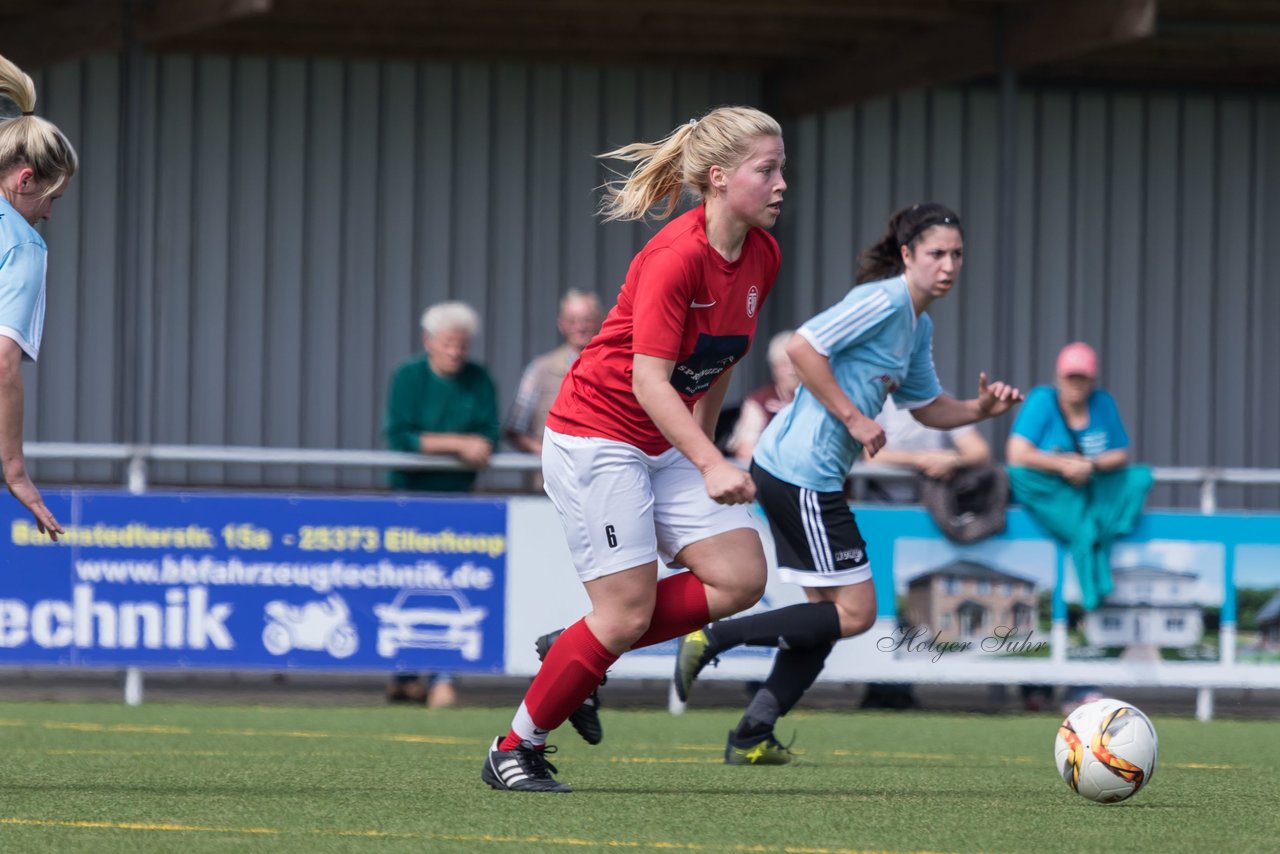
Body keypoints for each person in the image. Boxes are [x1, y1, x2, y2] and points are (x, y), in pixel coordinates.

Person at [481, 105, 786, 793]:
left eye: (780, 169)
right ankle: (512, 749)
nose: (781, 183)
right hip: (598, 436)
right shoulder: (675, 256)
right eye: (766, 170)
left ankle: (576, 647)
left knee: (741, 578)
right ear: (717, 177)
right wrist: (709, 462)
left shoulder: (762, 252)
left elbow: (719, 358)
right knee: (624, 613)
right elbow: (649, 379)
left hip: (662, 436)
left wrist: (700, 448)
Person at [674, 203, 1024, 765]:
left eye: (957, 254)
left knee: (826, 620)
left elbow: (928, 408)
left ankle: (752, 733)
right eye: (936, 253)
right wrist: (854, 417)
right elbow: (802, 348)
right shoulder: (881, 299)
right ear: (907, 256)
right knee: (858, 612)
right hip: (799, 471)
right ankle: (714, 638)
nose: (949, 265)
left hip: (805, 474)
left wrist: (980, 410)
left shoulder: (918, 323)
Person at [383, 300, 500, 708]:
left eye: (462, 345)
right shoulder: (408, 377)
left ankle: (441, 676)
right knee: (408, 581)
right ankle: (404, 673)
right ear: (429, 341)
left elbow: (489, 436)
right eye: (449, 343)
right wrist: (458, 444)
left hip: (458, 499)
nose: (456, 352)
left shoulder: (479, 379)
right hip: (410, 498)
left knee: (451, 582)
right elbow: (400, 438)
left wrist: (470, 446)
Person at [1006, 341, 1153, 611]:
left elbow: (1120, 454)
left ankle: (1096, 539)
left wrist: (1089, 465)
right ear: (1058, 377)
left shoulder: (1102, 402)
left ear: (1091, 380)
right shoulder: (1041, 400)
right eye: (1070, 376)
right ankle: (1092, 570)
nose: (1075, 383)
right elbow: (1017, 454)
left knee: (1139, 478)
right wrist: (1062, 465)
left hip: (1090, 483)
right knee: (1022, 478)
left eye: (1082, 378)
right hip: (1052, 488)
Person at [0, 55, 77, 543]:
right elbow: (3, 363)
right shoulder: (22, 245)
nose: (47, 214)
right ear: (25, 179)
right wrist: (14, 469)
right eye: (51, 198)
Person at [866, 395, 1008, 544]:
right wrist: (920, 459)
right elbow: (871, 455)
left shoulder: (942, 401)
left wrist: (953, 460)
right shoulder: (880, 402)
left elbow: (980, 452)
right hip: (884, 504)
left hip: (932, 507)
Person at [504, 289, 603, 487]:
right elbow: (515, 429)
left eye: (586, 320)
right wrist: (545, 452)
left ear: (601, 322)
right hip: (551, 482)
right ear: (561, 325)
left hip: (601, 477)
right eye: (572, 321)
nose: (580, 327)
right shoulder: (540, 370)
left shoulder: (617, 366)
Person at [725, 329, 798, 465]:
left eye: (796, 364)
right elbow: (745, 448)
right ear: (774, 369)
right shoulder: (759, 401)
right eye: (784, 364)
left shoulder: (818, 399)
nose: (792, 371)